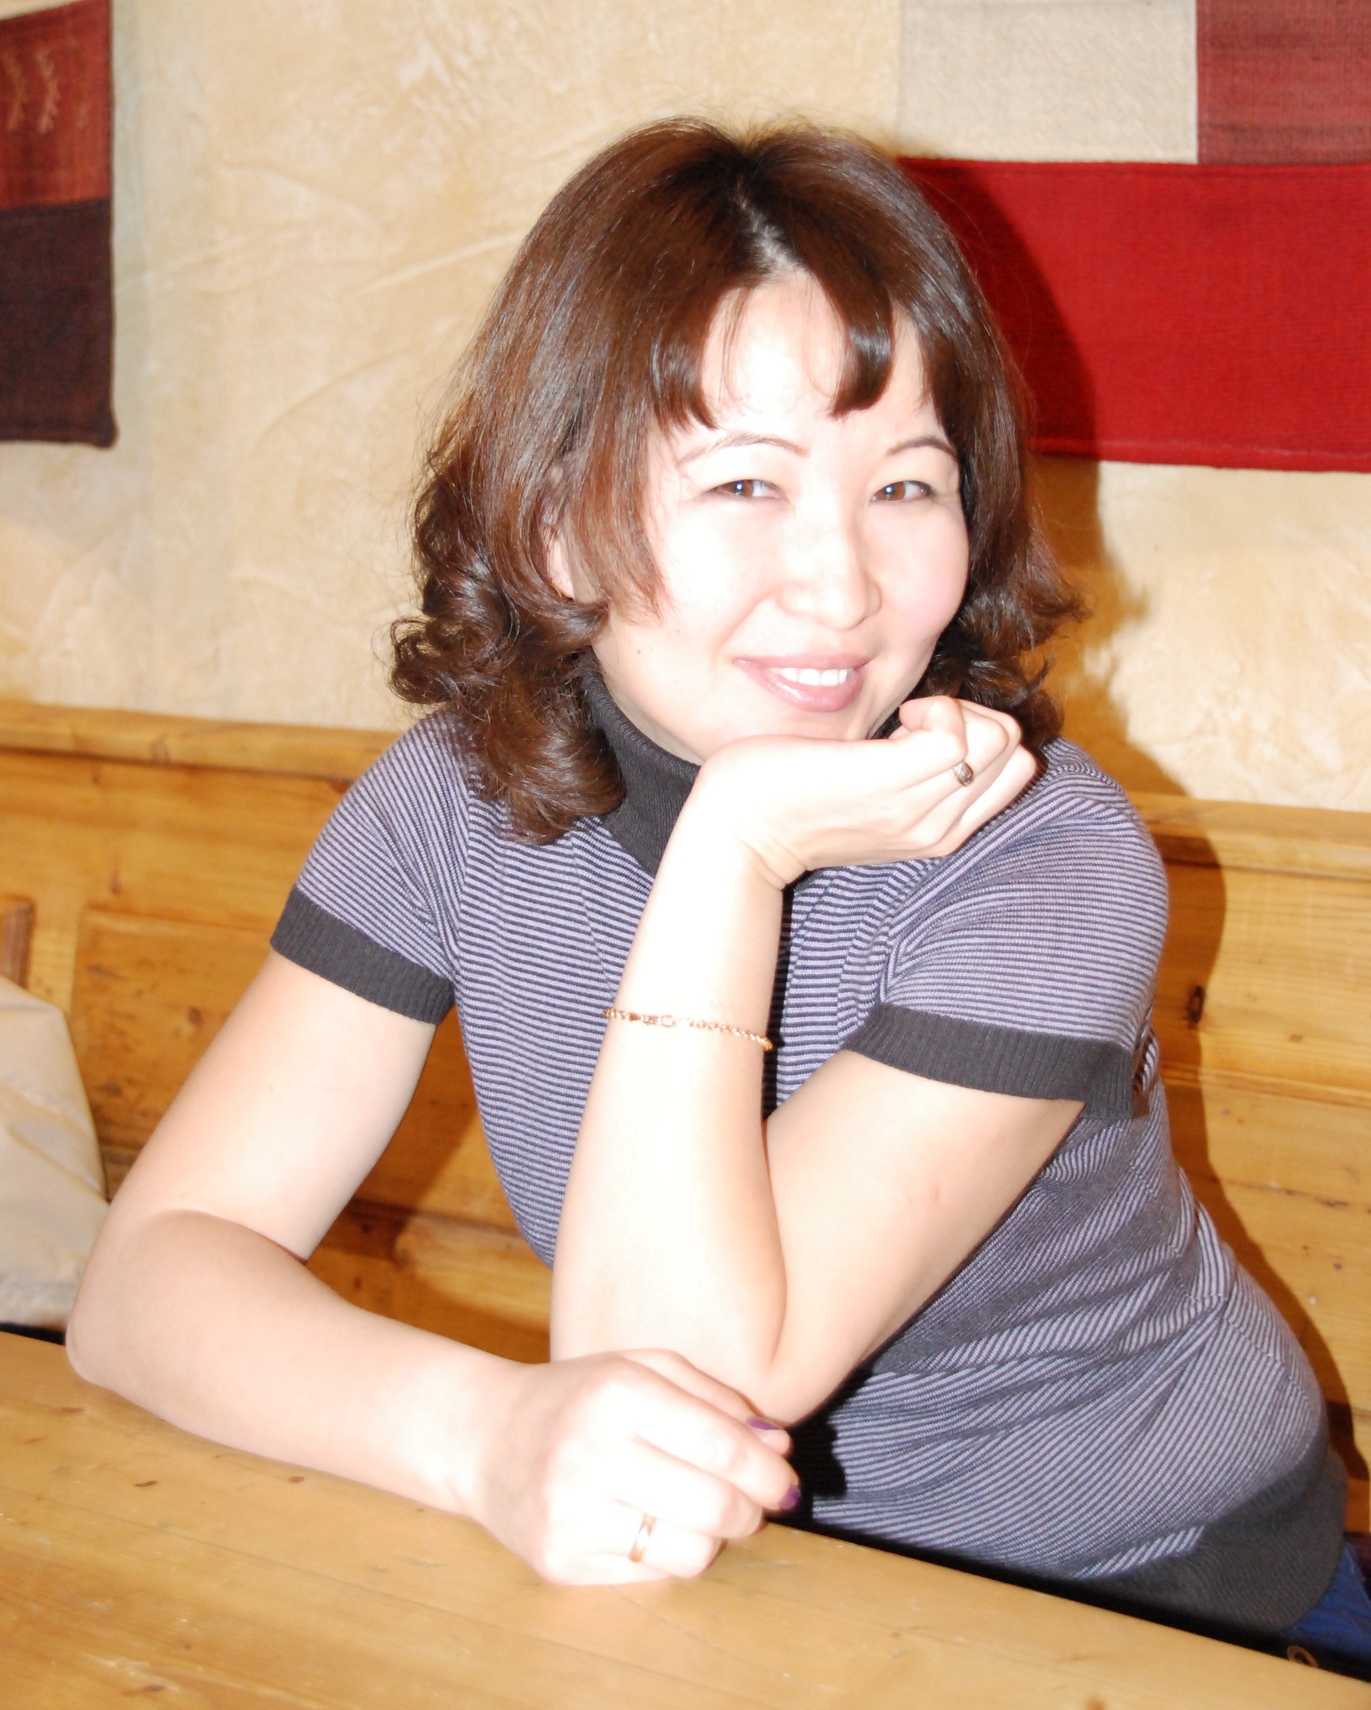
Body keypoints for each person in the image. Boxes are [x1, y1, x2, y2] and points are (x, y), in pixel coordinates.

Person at [68, 121, 1361, 1653]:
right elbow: (145, 1280)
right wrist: (484, 1434)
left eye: (907, 487)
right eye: (747, 483)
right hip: (716, 1588)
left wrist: (733, 852)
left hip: (1151, 1600)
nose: (843, 584)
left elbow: (695, 1371)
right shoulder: (450, 803)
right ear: (558, 522)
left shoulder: (1042, 855)